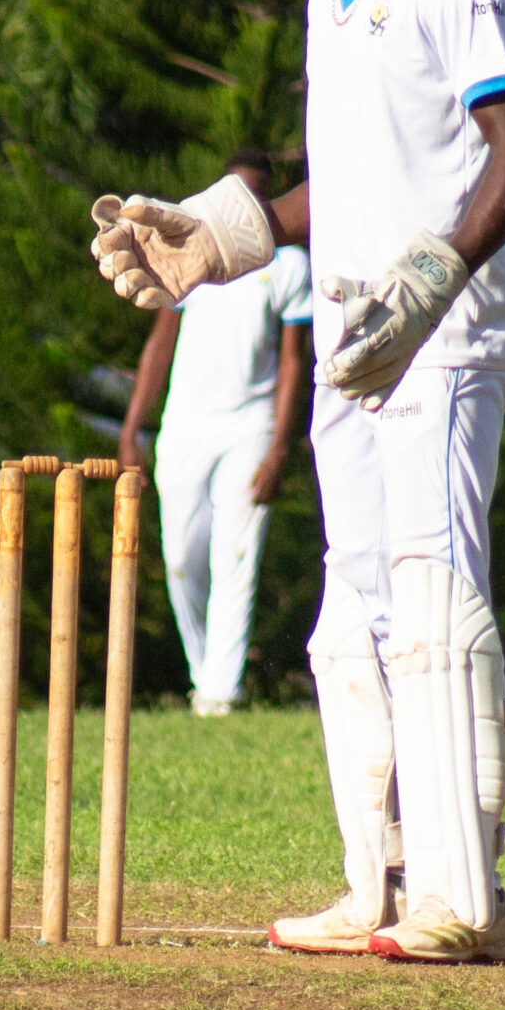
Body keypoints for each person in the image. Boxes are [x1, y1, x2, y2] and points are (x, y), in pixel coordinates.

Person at [88, 0, 505, 964]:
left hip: (444, 344)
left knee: (437, 601)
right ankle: (379, 883)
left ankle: (464, 897)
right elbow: (337, 190)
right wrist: (218, 237)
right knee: (352, 616)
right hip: (353, 342)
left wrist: (436, 276)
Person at [116, 151, 312, 716]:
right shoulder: (195, 251)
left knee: (236, 550)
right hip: (185, 424)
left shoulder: (289, 265)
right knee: (181, 555)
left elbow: (293, 363)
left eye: (254, 193)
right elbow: (160, 344)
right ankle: (205, 674)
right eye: (233, 192)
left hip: (250, 424)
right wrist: (134, 427)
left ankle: (220, 694)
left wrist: (278, 447)